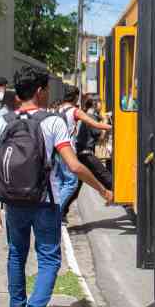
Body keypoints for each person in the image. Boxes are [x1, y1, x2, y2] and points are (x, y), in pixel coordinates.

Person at [0, 66, 113, 307]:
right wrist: (102, 188)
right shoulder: (52, 122)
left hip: (12, 202)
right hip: (45, 202)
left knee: (16, 253)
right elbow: (74, 166)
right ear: (40, 91)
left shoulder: (3, 121)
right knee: (49, 260)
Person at [55, 87, 112, 221]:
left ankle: (58, 213)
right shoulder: (75, 111)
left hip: (57, 150)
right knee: (72, 183)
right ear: (76, 97)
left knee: (62, 183)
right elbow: (95, 124)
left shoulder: (58, 110)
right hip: (68, 150)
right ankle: (55, 213)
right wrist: (112, 126)